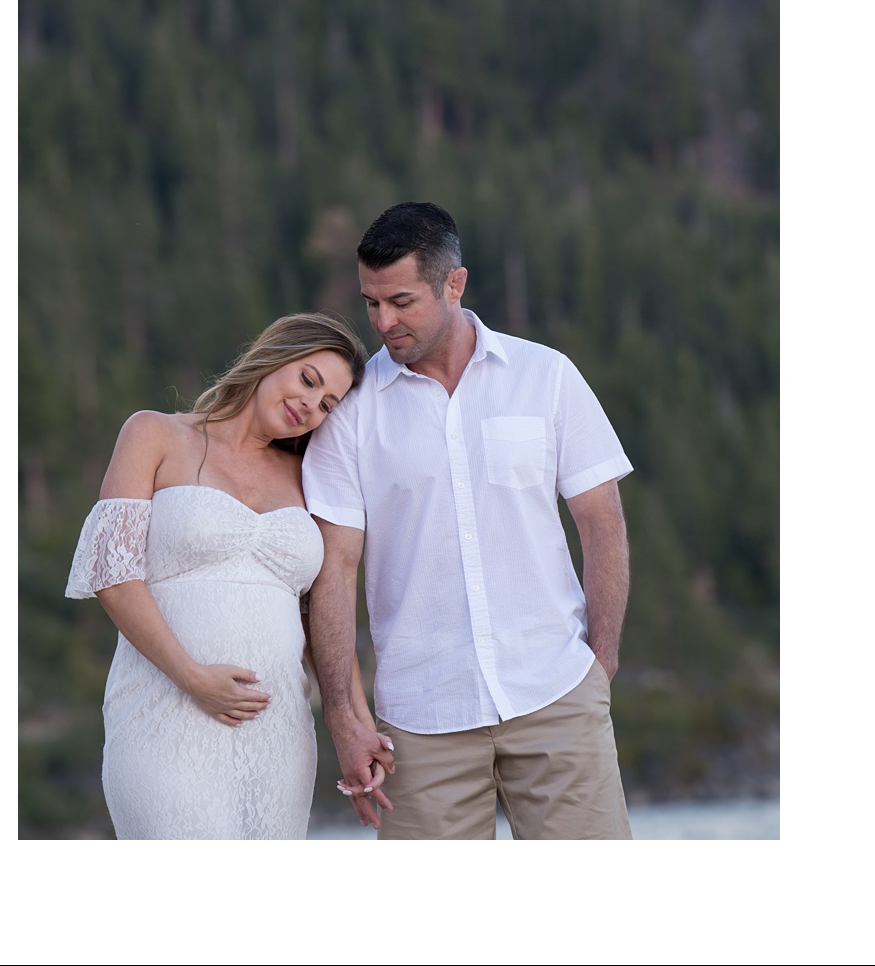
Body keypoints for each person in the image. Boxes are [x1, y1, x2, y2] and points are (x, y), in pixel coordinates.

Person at [306, 201, 636, 839]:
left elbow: (601, 523)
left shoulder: (547, 377)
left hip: (555, 694)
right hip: (420, 722)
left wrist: (602, 660)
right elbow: (334, 571)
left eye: (401, 300)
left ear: (454, 283)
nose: (384, 321)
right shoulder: (350, 413)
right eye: (372, 303)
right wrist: (344, 718)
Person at [64, 312, 386, 838]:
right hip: (166, 714)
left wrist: (356, 726)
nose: (311, 405)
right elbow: (112, 572)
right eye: (308, 379)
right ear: (274, 357)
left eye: (328, 404)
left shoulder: (310, 476)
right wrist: (192, 677)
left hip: (279, 731)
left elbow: (322, 615)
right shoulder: (155, 434)